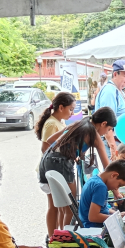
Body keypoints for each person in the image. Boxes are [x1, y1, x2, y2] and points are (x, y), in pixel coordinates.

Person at [39, 108, 117, 237]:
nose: (107, 133)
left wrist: (72, 151)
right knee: (71, 209)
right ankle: (64, 241)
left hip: (47, 160)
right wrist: (116, 191)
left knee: (62, 207)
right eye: (108, 129)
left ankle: (56, 238)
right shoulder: (94, 134)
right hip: (61, 163)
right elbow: (107, 167)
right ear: (103, 123)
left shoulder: (80, 123)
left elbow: (51, 140)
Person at [36, 92, 77, 235]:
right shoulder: (52, 123)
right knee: (54, 206)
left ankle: (58, 235)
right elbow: (45, 147)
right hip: (50, 170)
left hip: (54, 170)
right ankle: (52, 237)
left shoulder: (59, 122)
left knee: (60, 207)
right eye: (71, 109)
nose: (72, 113)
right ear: (61, 107)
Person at [78, 160, 125, 228]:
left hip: (88, 224)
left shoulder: (94, 179)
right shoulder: (100, 187)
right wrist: (117, 218)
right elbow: (93, 217)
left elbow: (102, 208)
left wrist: (117, 214)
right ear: (114, 175)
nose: (116, 188)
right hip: (94, 227)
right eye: (119, 185)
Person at [95, 60, 125, 157]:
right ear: (115, 74)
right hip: (114, 143)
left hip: (122, 143)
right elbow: (106, 122)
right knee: (114, 171)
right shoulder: (109, 91)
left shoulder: (119, 91)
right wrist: (113, 147)